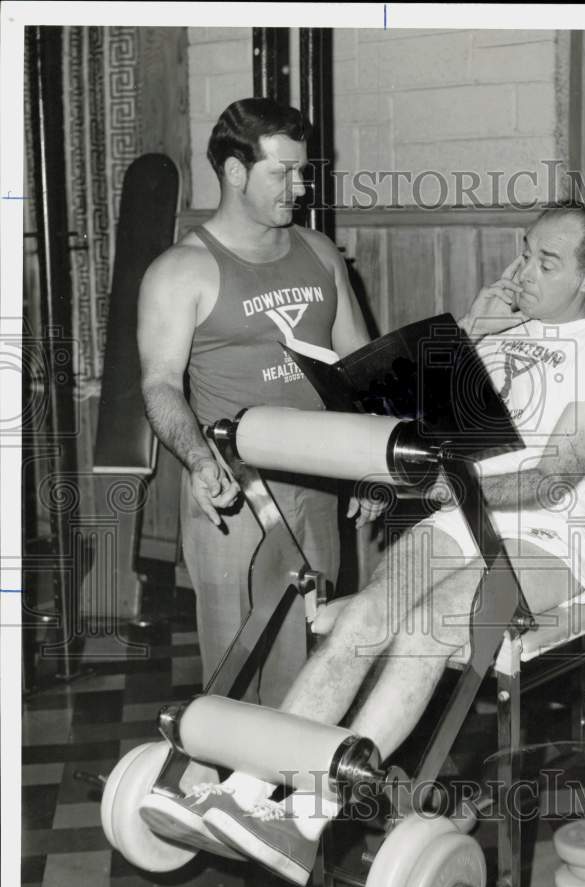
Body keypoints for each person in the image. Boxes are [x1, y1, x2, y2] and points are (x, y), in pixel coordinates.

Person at [155, 201, 585, 886]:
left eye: (547, 262)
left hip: (547, 540)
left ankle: (306, 813)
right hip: (458, 523)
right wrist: (470, 334)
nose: (523, 271)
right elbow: (429, 429)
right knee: (362, 614)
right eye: (525, 251)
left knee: (423, 628)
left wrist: (445, 490)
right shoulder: (502, 334)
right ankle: (244, 794)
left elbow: (551, 480)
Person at [137, 98, 378, 701]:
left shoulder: (319, 251)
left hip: (320, 479)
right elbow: (160, 383)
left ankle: (301, 790)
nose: (300, 185)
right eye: (284, 172)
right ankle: (235, 788)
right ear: (236, 172)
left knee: (315, 649)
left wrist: (374, 466)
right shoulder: (181, 270)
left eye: (303, 170)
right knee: (240, 659)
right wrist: (197, 460)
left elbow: (361, 369)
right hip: (237, 486)